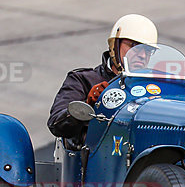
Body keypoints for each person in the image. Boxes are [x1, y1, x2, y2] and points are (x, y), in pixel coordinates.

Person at [47, 14, 158, 146]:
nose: (142, 55)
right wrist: (88, 104)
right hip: (92, 158)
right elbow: (56, 124)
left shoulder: (154, 86)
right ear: (115, 45)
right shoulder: (82, 79)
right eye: (133, 46)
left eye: (148, 50)